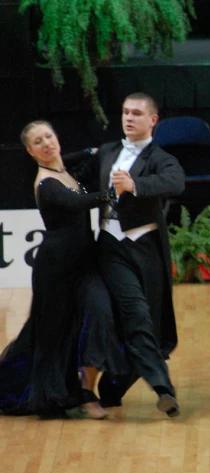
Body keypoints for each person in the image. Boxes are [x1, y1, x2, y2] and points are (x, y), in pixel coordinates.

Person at [0, 122, 128, 420]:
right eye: (37, 142)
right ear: (30, 151)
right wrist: (113, 192)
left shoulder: (60, 166)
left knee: (93, 316)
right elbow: (78, 201)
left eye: (49, 136)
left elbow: (71, 157)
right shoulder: (47, 183)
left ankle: (86, 388)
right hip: (56, 270)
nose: (46, 143)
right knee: (51, 333)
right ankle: (58, 394)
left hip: (82, 266)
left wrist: (97, 150)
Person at [79, 92, 184, 417]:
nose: (128, 118)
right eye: (125, 112)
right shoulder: (108, 151)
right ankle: (164, 388)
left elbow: (174, 182)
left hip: (147, 250)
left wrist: (134, 184)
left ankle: (112, 389)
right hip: (112, 249)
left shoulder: (161, 157)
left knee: (147, 324)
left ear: (153, 120)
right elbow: (79, 182)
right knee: (136, 313)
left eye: (137, 113)